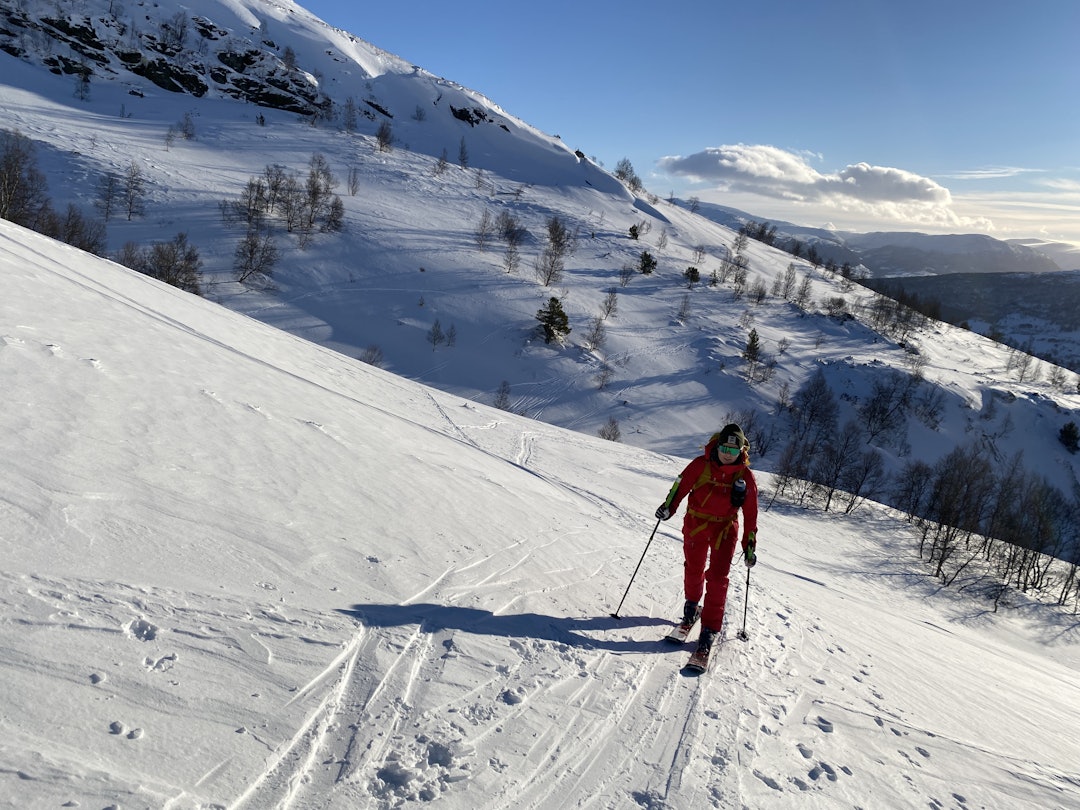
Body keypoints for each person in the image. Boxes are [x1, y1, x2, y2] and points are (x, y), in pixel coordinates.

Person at [655, 423, 758, 659]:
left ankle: (710, 628)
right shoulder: (700, 465)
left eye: (733, 451)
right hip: (696, 524)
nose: (727, 454)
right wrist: (668, 508)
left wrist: (749, 547)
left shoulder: (745, 476)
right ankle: (691, 609)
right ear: (718, 445)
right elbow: (679, 488)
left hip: (725, 529)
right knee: (694, 569)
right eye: (724, 448)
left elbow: (751, 514)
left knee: (718, 578)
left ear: (741, 451)